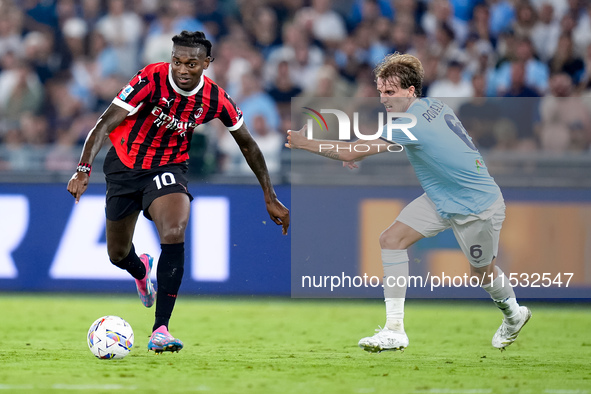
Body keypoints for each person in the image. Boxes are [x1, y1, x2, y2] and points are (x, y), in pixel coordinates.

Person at [285, 53, 530, 352]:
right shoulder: (432, 105)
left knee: (482, 273)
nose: (384, 99)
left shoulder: (408, 123)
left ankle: (514, 315)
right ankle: (395, 330)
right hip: (442, 197)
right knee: (390, 239)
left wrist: (304, 142)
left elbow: (352, 152)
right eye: (380, 92)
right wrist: (359, 152)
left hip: (477, 207)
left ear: (411, 91)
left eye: (390, 92)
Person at [67, 31, 290, 354]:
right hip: (124, 167)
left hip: (169, 168)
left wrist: (269, 195)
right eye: (177, 61)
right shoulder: (151, 78)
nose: (183, 69)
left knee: (174, 231)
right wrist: (83, 168)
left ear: (206, 64)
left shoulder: (216, 99)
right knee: (117, 253)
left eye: (191, 63)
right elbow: (104, 123)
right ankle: (141, 270)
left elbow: (248, 145)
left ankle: (160, 329)